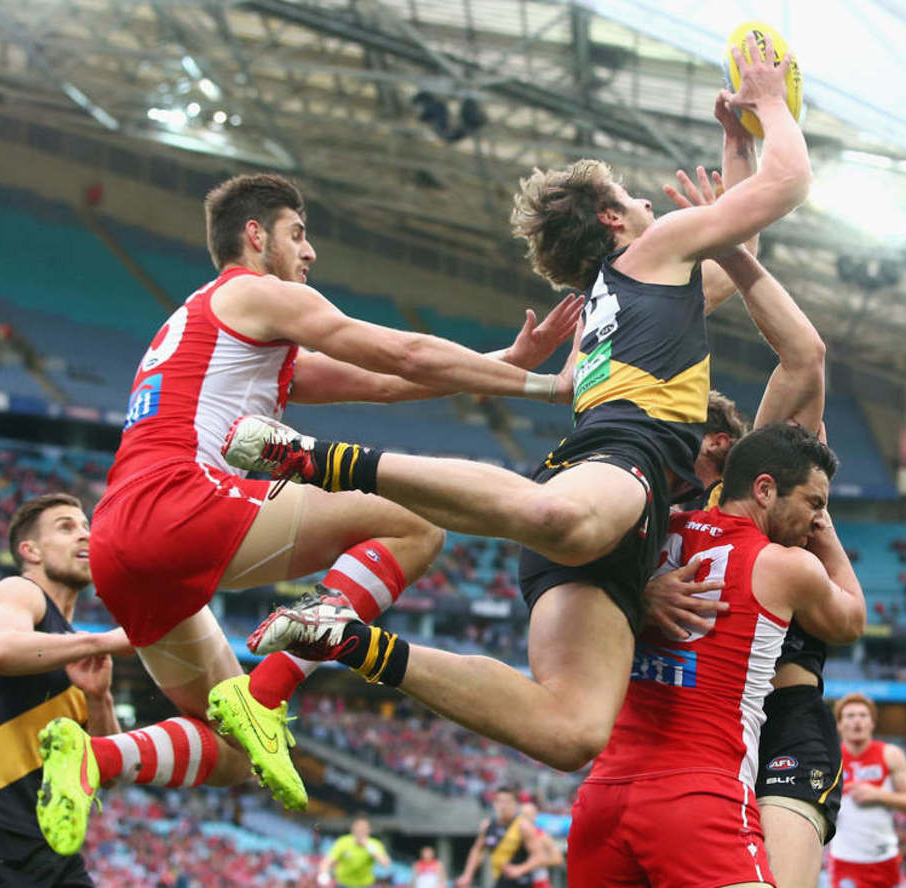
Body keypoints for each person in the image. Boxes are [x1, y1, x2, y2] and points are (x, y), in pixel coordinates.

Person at [225, 35, 813, 773]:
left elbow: (742, 237)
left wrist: (737, 145)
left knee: (570, 733)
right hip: (614, 465)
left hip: (621, 514)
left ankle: (348, 640)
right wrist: (767, 108)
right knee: (557, 518)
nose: (645, 202)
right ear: (609, 219)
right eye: (632, 197)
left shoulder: (630, 291)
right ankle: (315, 457)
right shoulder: (654, 251)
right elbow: (788, 186)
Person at [35, 171, 583, 855]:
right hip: (179, 502)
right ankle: (270, 692)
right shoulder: (253, 293)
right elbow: (401, 348)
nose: (311, 251)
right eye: (299, 233)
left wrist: (501, 360)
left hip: (122, 537)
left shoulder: (220, 328)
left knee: (233, 756)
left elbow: (385, 381)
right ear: (255, 236)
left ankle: (96, 760)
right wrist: (539, 384)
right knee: (416, 522)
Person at [647, 168, 863, 888]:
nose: (697, 443)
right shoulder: (678, 519)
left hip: (784, 722)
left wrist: (735, 234)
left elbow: (803, 355)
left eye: (709, 432)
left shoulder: (774, 494)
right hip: (691, 728)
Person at [569, 422, 860, 887]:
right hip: (700, 793)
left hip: (602, 798)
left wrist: (636, 594)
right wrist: (825, 533)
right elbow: (851, 620)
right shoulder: (785, 565)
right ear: (764, 490)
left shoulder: (653, 537)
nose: (816, 518)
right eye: (814, 503)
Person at [0, 494, 132, 886]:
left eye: (86, 527)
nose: (84, 536)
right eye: (66, 527)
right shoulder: (19, 592)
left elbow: (107, 775)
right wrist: (99, 642)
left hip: (52, 846)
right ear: (31, 551)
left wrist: (99, 698)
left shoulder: (73, 649)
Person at [829, 694, 906, 888]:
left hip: (884, 859)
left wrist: (879, 795)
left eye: (863, 715)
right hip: (845, 860)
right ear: (839, 725)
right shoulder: (830, 760)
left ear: (872, 723)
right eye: (850, 716)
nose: (857, 720)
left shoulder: (890, 754)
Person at [456, 787, 547, 888]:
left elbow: (540, 856)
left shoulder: (523, 826)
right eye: (500, 802)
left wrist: (520, 869)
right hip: (500, 881)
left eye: (508, 802)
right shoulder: (488, 826)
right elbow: (477, 851)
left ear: (515, 804)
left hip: (522, 883)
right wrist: (467, 874)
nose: (504, 806)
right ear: (495, 804)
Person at [319, 817, 390, 888]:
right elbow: (328, 861)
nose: (361, 832)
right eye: (358, 829)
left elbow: (385, 863)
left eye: (364, 829)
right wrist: (324, 875)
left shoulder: (374, 844)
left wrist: (369, 846)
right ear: (353, 830)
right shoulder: (343, 842)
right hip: (343, 884)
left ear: (369, 831)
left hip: (365, 885)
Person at [519, 801, 562, 888]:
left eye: (528, 815)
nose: (525, 818)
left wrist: (536, 862)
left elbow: (558, 859)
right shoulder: (515, 835)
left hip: (538, 881)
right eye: (523, 815)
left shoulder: (542, 835)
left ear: (535, 815)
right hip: (517, 880)